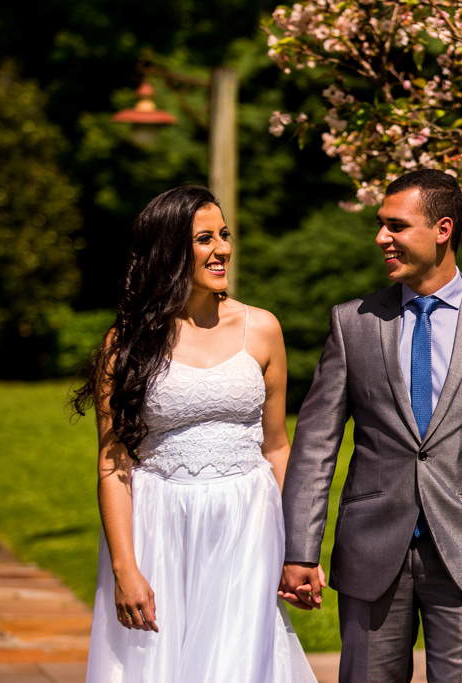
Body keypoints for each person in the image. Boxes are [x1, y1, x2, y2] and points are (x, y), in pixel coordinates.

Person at [279, 169, 462, 683]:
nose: (381, 238)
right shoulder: (352, 323)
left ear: (442, 229)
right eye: (381, 225)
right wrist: (300, 548)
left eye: (396, 226)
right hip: (370, 552)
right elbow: (317, 445)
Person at [73, 186, 316, 683]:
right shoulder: (126, 344)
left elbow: (276, 445)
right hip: (158, 526)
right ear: (169, 251)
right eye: (205, 238)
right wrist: (125, 568)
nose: (223, 248)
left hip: (247, 522)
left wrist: (300, 550)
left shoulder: (263, 329)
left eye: (224, 235)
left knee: (237, 663)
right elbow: (113, 462)